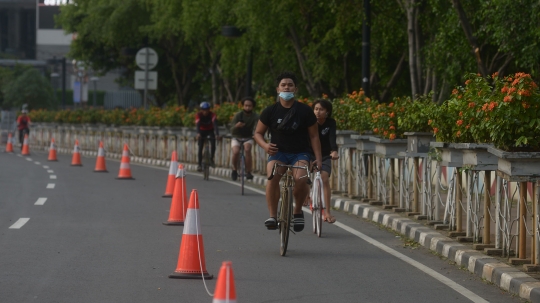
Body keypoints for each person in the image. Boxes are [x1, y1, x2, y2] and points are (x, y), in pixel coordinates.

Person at [253, 71, 322, 232]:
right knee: (272, 177)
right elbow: (257, 133)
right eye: (283, 85)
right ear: (277, 89)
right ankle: (272, 216)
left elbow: (314, 136)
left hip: (300, 153)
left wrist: (317, 159)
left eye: (290, 85)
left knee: (301, 178)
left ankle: (297, 211)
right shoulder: (270, 111)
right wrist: (265, 145)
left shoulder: (305, 111)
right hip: (278, 153)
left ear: (295, 89)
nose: (286, 87)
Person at [304, 99, 339, 223]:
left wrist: (334, 151)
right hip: (309, 153)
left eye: (321, 109)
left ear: (327, 112)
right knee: (303, 173)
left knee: (324, 178)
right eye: (316, 109)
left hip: (325, 155)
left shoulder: (330, 123)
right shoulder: (308, 122)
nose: (318, 112)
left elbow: (332, 138)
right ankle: (306, 194)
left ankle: (327, 212)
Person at [230, 96, 259, 181]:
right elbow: (231, 129)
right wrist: (237, 126)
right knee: (236, 151)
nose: (247, 107)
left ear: (252, 106)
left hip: (248, 137)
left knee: (247, 149)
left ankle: (248, 172)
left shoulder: (255, 116)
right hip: (236, 136)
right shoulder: (238, 115)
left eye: (249, 106)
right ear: (243, 106)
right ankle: (234, 169)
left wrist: (256, 134)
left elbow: (258, 126)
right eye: (246, 105)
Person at [196, 102, 220, 172]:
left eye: (207, 110)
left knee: (213, 143)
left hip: (210, 130)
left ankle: (211, 159)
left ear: (209, 110)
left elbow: (215, 125)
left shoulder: (212, 115)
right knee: (200, 147)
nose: (205, 112)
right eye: (203, 110)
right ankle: (199, 165)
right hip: (201, 131)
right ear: (201, 110)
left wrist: (217, 134)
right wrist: (198, 133)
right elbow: (197, 124)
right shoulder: (198, 115)